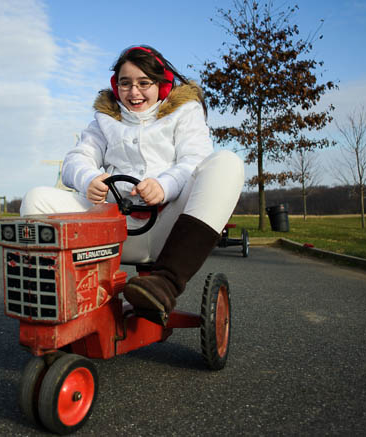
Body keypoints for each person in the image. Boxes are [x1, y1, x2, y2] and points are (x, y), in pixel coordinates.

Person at [21, 44, 245, 322]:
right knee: (36, 198)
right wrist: (88, 178)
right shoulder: (105, 119)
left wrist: (164, 186)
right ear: (116, 86)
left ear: (162, 86)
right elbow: (76, 159)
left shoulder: (185, 112)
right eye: (125, 84)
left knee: (226, 162)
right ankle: (53, 298)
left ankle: (165, 283)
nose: (134, 92)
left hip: (170, 229)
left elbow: (193, 160)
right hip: (114, 231)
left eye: (144, 83)